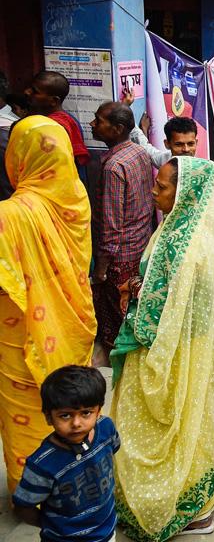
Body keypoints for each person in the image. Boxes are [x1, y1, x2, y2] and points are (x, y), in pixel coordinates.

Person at [111, 157, 214, 539]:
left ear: (185, 193)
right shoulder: (181, 225)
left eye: (162, 186)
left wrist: (137, 328)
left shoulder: (189, 245)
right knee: (195, 419)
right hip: (186, 345)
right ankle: (208, 488)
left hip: (171, 348)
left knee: (172, 420)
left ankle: (188, 507)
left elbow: (166, 310)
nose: (154, 191)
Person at [0, 116, 96, 493]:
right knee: (74, 405)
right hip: (71, 324)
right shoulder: (75, 200)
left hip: (20, 332)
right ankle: (77, 479)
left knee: (28, 408)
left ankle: (31, 489)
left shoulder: (9, 214)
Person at [12, 366, 118, 542]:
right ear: (48, 417)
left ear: (98, 411)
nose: (76, 423)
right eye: (65, 416)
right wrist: (55, 528)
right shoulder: (42, 465)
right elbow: (23, 507)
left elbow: (113, 449)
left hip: (107, 531)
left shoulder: (106, 429)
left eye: (86, 413)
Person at [89, 101, 155, 360]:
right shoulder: (138, 153)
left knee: (119, 320)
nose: (93, 125)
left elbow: (111, 225)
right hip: (140, 247)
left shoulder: (114, 166)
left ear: (116, 129)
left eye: (99, 120)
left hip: (120, 259)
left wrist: (102, 269)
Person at [24, 71, 90, 180]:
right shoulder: (69, 120)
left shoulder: (53, 126)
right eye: (29, 88)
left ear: (54, 101)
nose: (26, 92)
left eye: (35, 91)